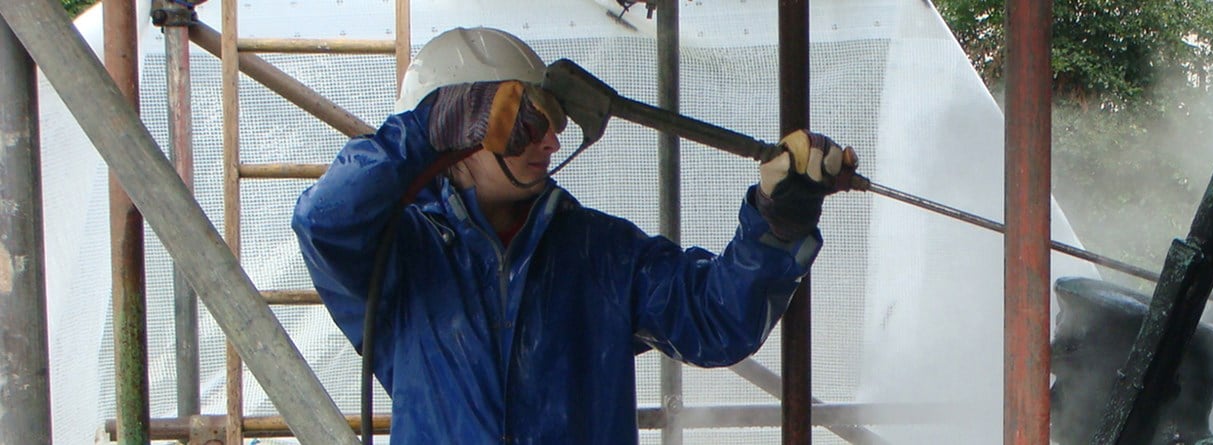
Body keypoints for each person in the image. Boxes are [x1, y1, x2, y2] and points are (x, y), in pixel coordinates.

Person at [292, 27, 856, 443]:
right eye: (527, 125)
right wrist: (423, 129)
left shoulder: (598, 252)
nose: (551, 145)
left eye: (553, 126)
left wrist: (778, 225)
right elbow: (325, 222)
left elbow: (717, 319)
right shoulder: (401, 254)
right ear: (459, 129)